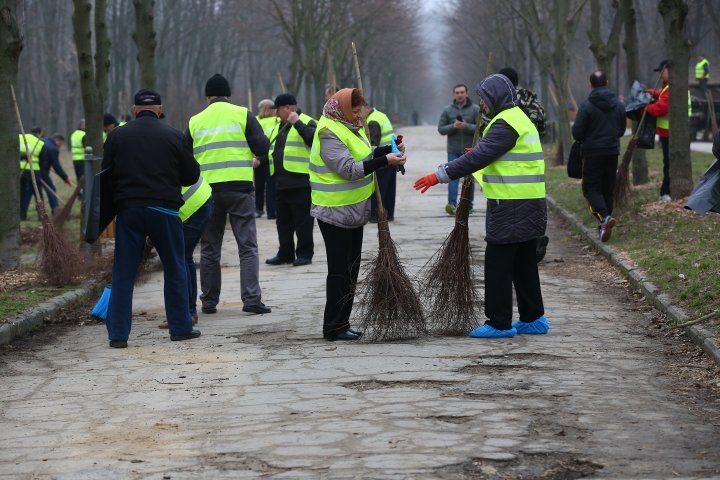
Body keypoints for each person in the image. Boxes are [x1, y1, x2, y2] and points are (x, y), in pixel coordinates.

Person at [414, 73, 548, 339]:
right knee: (523, 262)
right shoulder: (519, 118)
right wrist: (478, 153)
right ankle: (533, 318)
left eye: (485, 99)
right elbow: (492, 153)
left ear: (496, 97)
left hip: (510, 205)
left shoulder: (505, 123)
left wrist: (440, 175)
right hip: (529, 201)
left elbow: (482, 156)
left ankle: (499, 323)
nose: (483, 104)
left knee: (497, 263)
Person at [102, 88, 201, 348]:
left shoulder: (117, 136)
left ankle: (118, 335)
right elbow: (191, 176)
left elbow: (106, 175)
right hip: (165, 210)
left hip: (129, 210)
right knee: (175, 266)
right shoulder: (173, 135)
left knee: (123, 271)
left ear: (134, 110)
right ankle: (180, 327)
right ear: (159, 109)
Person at [310, 88, 407, 341]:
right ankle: (333, 326)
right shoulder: (328, 132)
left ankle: (343, 322)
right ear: (341, 109)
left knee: (351, 271)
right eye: (354, 111)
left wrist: (387, 150)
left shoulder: (350, 128)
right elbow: (349, 170)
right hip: (333, 211)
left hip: (353, 209)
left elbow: (364, 156)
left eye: (359, 111)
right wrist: (385, 160)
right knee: (339, 271)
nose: (358, 116)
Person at [188, 73, 271, 315]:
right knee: (247, 246)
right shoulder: (242, 114)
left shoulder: (195, 121)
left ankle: (209, 301)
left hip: (207, 192)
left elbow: (183, 156)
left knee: (210, 248)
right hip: (239, 189)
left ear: (207, 97)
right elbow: (262, 147)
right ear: (228, 94)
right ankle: (252, 300)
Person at [495, 67, 550, 262]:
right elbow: (543, 127)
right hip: (532, 160)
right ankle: (535, 240)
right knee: (534, 205)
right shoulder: (532, 100)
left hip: (509, 164)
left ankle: (520, 249)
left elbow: (491, 130)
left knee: (514, 213)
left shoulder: (502, 103)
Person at [572, 71, 626, 242]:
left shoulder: (587, 105)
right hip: (612, 151)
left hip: (592, 153)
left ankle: (604, 218)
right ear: (607, 82)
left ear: (590, 85)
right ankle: (604, 226)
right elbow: (621, 130)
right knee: (607, 190)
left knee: (591, 189)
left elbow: (577, 132)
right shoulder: (618, 104)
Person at [265, 93, 317, 266]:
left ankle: (304, 254)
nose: (275, 114)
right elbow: (273, 149)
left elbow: (313, 140)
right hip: (281, 183)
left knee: (303, 222)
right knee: (283, 223)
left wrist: (297, 122)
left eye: (277, 110)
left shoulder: (307, 121)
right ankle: (285, 253)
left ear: (287, 108)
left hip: (301, 183)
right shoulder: (280, 126)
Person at [159, 175, 214, 330]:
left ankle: (184, 314)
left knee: (178, 259)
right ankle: (189, 312)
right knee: (184, 256)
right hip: (201, 196)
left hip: (189, 204)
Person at [645, 60, 691, 202]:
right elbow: (662, 95)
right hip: (668, 133)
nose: (660, 74)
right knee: (668, 163)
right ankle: (666, 192)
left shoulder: (672, 88)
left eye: (662, 71)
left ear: (670, 72)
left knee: (668, 164)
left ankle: (666, 193)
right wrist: (652, 93)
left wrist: (643, 108)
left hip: (670, 134)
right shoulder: (670, 86)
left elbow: (661, 108)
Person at [437, 84, 480, 215]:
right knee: (452, 177)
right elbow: (441, 129)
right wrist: (454, 126)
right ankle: (452, 204)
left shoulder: (475, 109)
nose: (460, 95)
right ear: (453, 94)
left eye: (462, 92)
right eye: (457, 92)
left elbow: (481, 128)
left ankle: (468, 205)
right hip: (453, 150)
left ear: (467, 93)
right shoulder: (447, 110)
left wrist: (466, 126)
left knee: (469, 178)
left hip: (470, 151)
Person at [367, 105, 397, 221]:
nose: (359, 115)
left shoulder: (373, 121)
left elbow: (373, 144)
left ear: (367, 108)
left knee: (379, 189)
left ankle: (376, 216)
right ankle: (389, 215)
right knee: (389, 189)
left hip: (382, 160)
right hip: (391, 157)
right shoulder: (380, 115)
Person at [255, 99, 278, 219]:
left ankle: (258, 209)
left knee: (259, 185)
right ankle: (271, 211)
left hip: (258, 157)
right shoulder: (276, 120)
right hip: (270, 157)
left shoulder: (256, 120)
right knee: (270, 186)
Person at [40, 132, 72, 216]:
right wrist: (65, 178)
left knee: (29, 193)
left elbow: (43, 156)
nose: (60, 146)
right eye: (61, 143)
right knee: (51, 189)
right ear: (57, 140)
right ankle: (55, 210)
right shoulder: (53, 148)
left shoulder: (44, 140)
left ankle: (23, 214)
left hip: (35, 169)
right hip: (41, 173)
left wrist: (46, 164)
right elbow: (57, 167)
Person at [18, 128, 47, 221]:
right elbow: (43, 160)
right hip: (34, 171)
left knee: (22, 194)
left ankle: (22, 215)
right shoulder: (40, 142)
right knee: (38, 194)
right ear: (39, 133)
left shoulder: (19, 137)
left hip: (20, 170)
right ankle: (41, 216)